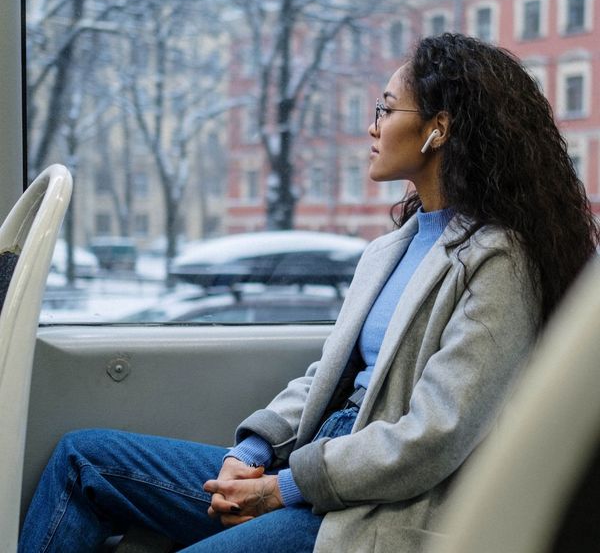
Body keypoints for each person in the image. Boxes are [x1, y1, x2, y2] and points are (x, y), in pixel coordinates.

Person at [19, 33, 599, 553]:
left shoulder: (499, 259)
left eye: (385, 110)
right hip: (315, 463)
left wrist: (284, 488)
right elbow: (326, 373)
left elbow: (434, 435)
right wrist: (248, 454)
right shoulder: (390, 249)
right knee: (81, 459)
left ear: (437, 129)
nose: (371, 127)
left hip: (378, 503)